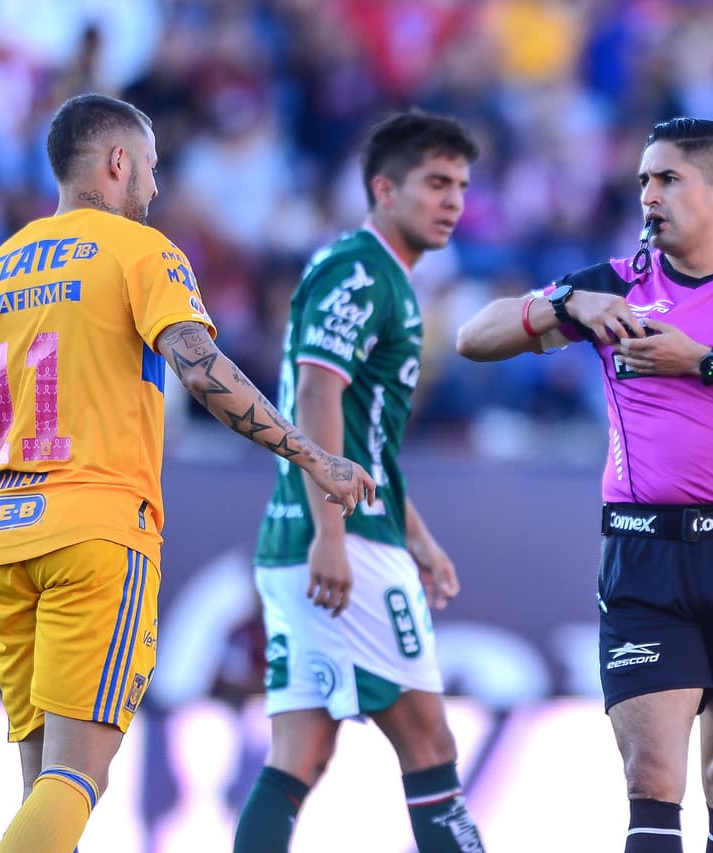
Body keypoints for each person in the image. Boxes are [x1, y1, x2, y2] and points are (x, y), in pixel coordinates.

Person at [0, 93, 375, 853]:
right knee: (78, 777)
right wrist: (312, 454)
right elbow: (202, 371)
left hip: (2, 536)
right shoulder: (140, 251)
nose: (154, 185)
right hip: (97, 531)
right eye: (149, 165)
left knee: (44, 784)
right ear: (116, 162)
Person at [456, 117, 713, 852]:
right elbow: (472, 337)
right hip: (645, 557)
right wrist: (563, 305)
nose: (649, 195)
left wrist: (698, 360)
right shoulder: (613, 288)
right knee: (652, 779)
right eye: (643, 180)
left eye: (667, 178)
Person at [233, 111, 486, 853]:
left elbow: (364, 433)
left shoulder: (390, 277)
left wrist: (420, 534)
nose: (452, 201)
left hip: (315, 533)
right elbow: (315, 395)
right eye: (435, 182)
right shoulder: (361, 267)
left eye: (462, 186)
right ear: (383, 188)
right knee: (431, 743)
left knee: (300, 754)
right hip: (339, 541)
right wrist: (335, 535)